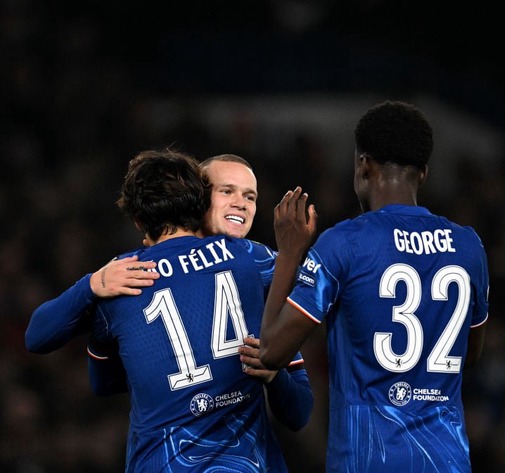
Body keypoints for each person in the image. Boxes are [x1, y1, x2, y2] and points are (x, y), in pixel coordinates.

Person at [26, 151, 312, 471]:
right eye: (226, 191)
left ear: (137, 220)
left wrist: (91, 288)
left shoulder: (124, 277)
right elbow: (300, 411)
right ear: (198, 200)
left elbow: (51, 347)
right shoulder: (254, 262)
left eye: (250, 196)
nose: (240, 204)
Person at [259, 100, 490, 472]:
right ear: (424, 174)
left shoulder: (345, 244)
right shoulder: (468, 246)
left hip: (367, 459)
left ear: (362, 165)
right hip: (447, 459)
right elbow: (470, 355)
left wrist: (288, 253)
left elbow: (270, 351)